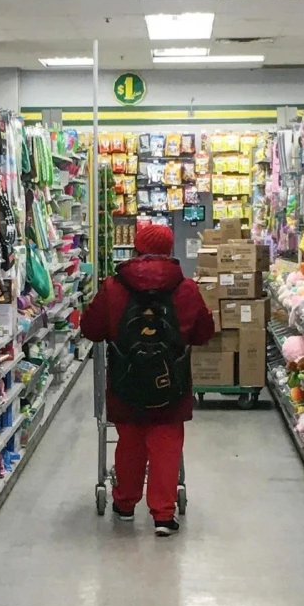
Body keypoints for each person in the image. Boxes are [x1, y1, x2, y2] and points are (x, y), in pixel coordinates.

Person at [80, 221, 215, 535]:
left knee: (129, 442)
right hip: (171, 383)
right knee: (166, 444)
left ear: (136, 248)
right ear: (170, 250)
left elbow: (91, 329)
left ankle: (125, 504)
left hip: (125, 382)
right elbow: (203, 333)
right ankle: (163, 516)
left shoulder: (113, 287)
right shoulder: (186, 288)